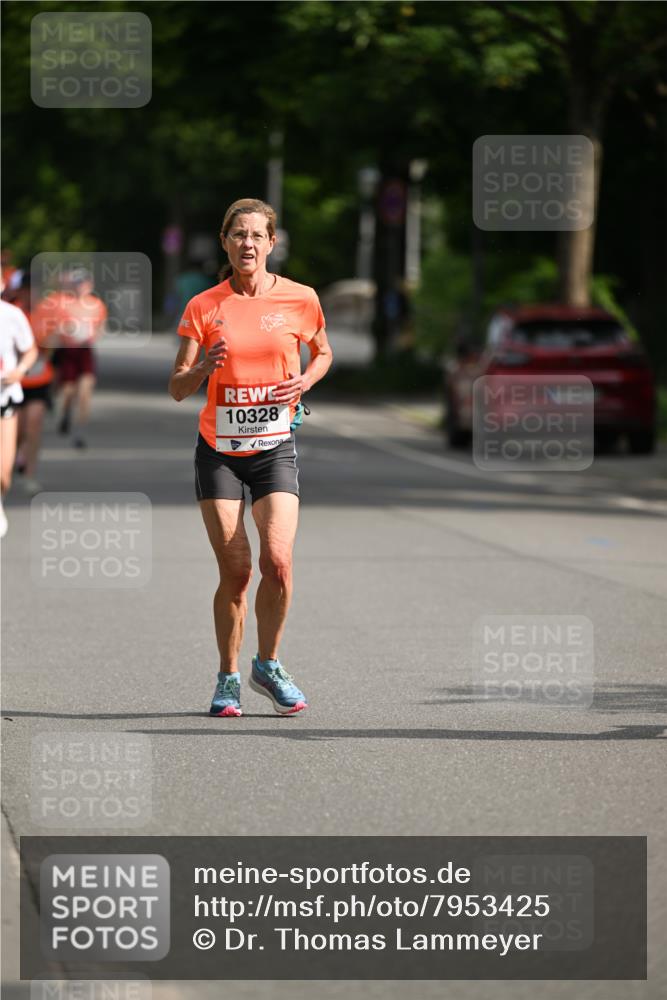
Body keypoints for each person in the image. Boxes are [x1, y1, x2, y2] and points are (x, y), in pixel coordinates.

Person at [169, 198, 333, 717]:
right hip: (218, 451)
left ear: (271, 242)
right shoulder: (203, 305)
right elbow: (176, 387)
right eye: (238, 234)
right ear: (225, 241)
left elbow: (323, 350)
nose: (247, 243)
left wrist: (305, 381)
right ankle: (227, 677)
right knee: (237, 571)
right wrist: (203, 370)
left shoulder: (300, 299)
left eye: (257, 235)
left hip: (274, 448)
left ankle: (269, 662)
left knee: (278, 563)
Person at [31, 267, 107, 449]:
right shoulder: (63, 303)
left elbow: (100, 328)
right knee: (67, 390)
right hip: (67, 351)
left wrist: (92, 336)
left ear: (90, 285)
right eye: (78, 283)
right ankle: (64, 413)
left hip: (85, 351)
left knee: (85, 390)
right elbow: (55, 328)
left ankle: (80, 431)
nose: (81, 287)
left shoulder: (96, 305)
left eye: (84, 283)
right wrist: (65, 333)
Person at [0, 285, 38, 537]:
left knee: (3, 474)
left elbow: (30, 350)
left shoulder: (12, 315)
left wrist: (21, 370)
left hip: (5, 399)